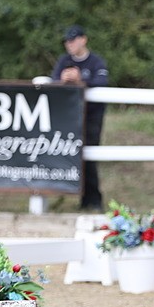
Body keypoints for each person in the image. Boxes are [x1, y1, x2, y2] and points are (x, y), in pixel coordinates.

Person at [52, 24, 110, 212]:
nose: (69, 44)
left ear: (83, 40)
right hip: (70, 117)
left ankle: (93, 200)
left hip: (92, 116)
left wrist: (80, 82)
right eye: (67, 41)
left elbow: (102, 82)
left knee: (89, 157)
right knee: (71, 156)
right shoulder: (64, 62)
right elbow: (53, 81)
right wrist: (63, 80)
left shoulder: (95, 62)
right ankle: (74, 198)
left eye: (73, 40)